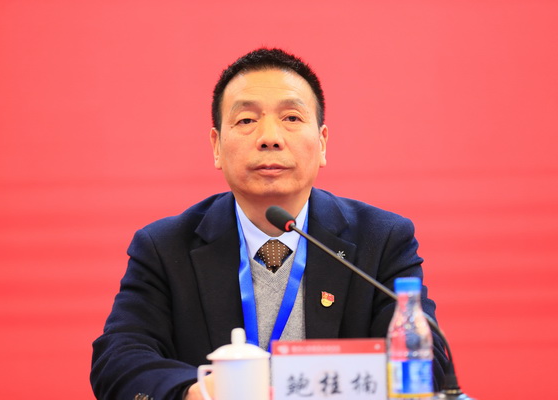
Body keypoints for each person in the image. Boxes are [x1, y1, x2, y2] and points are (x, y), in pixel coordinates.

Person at [90, 48, 448, 400]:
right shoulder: (165, 248)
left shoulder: (381, 240)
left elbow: (423, 358)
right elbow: (119, 358)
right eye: (246, 120)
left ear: (322, 142)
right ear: (216, 146)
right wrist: (194, 392)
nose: (270, 137)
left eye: (291, 117)